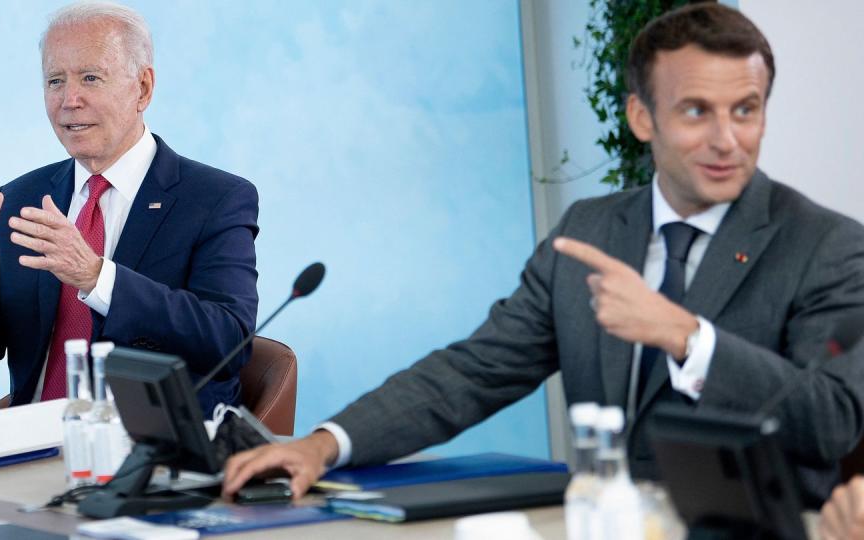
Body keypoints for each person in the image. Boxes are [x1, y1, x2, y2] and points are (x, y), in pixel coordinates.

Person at [223, 3, 864, 506]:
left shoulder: (827, 245)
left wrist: (686, 337)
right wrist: (323, 445)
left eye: (746, 110)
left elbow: (832, 421)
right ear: (642, 117)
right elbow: (475, 371)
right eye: (697, 111)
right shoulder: (591, 230)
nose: (728, 139)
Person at [0, 2, 259, 416]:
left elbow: (227, 340)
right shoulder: (19, 201)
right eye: (55, 81)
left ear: (143, 88)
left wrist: (97, 278)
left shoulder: (215, 199)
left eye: (90, 78)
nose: (69, 100)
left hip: (153, 456)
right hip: (26, 454)